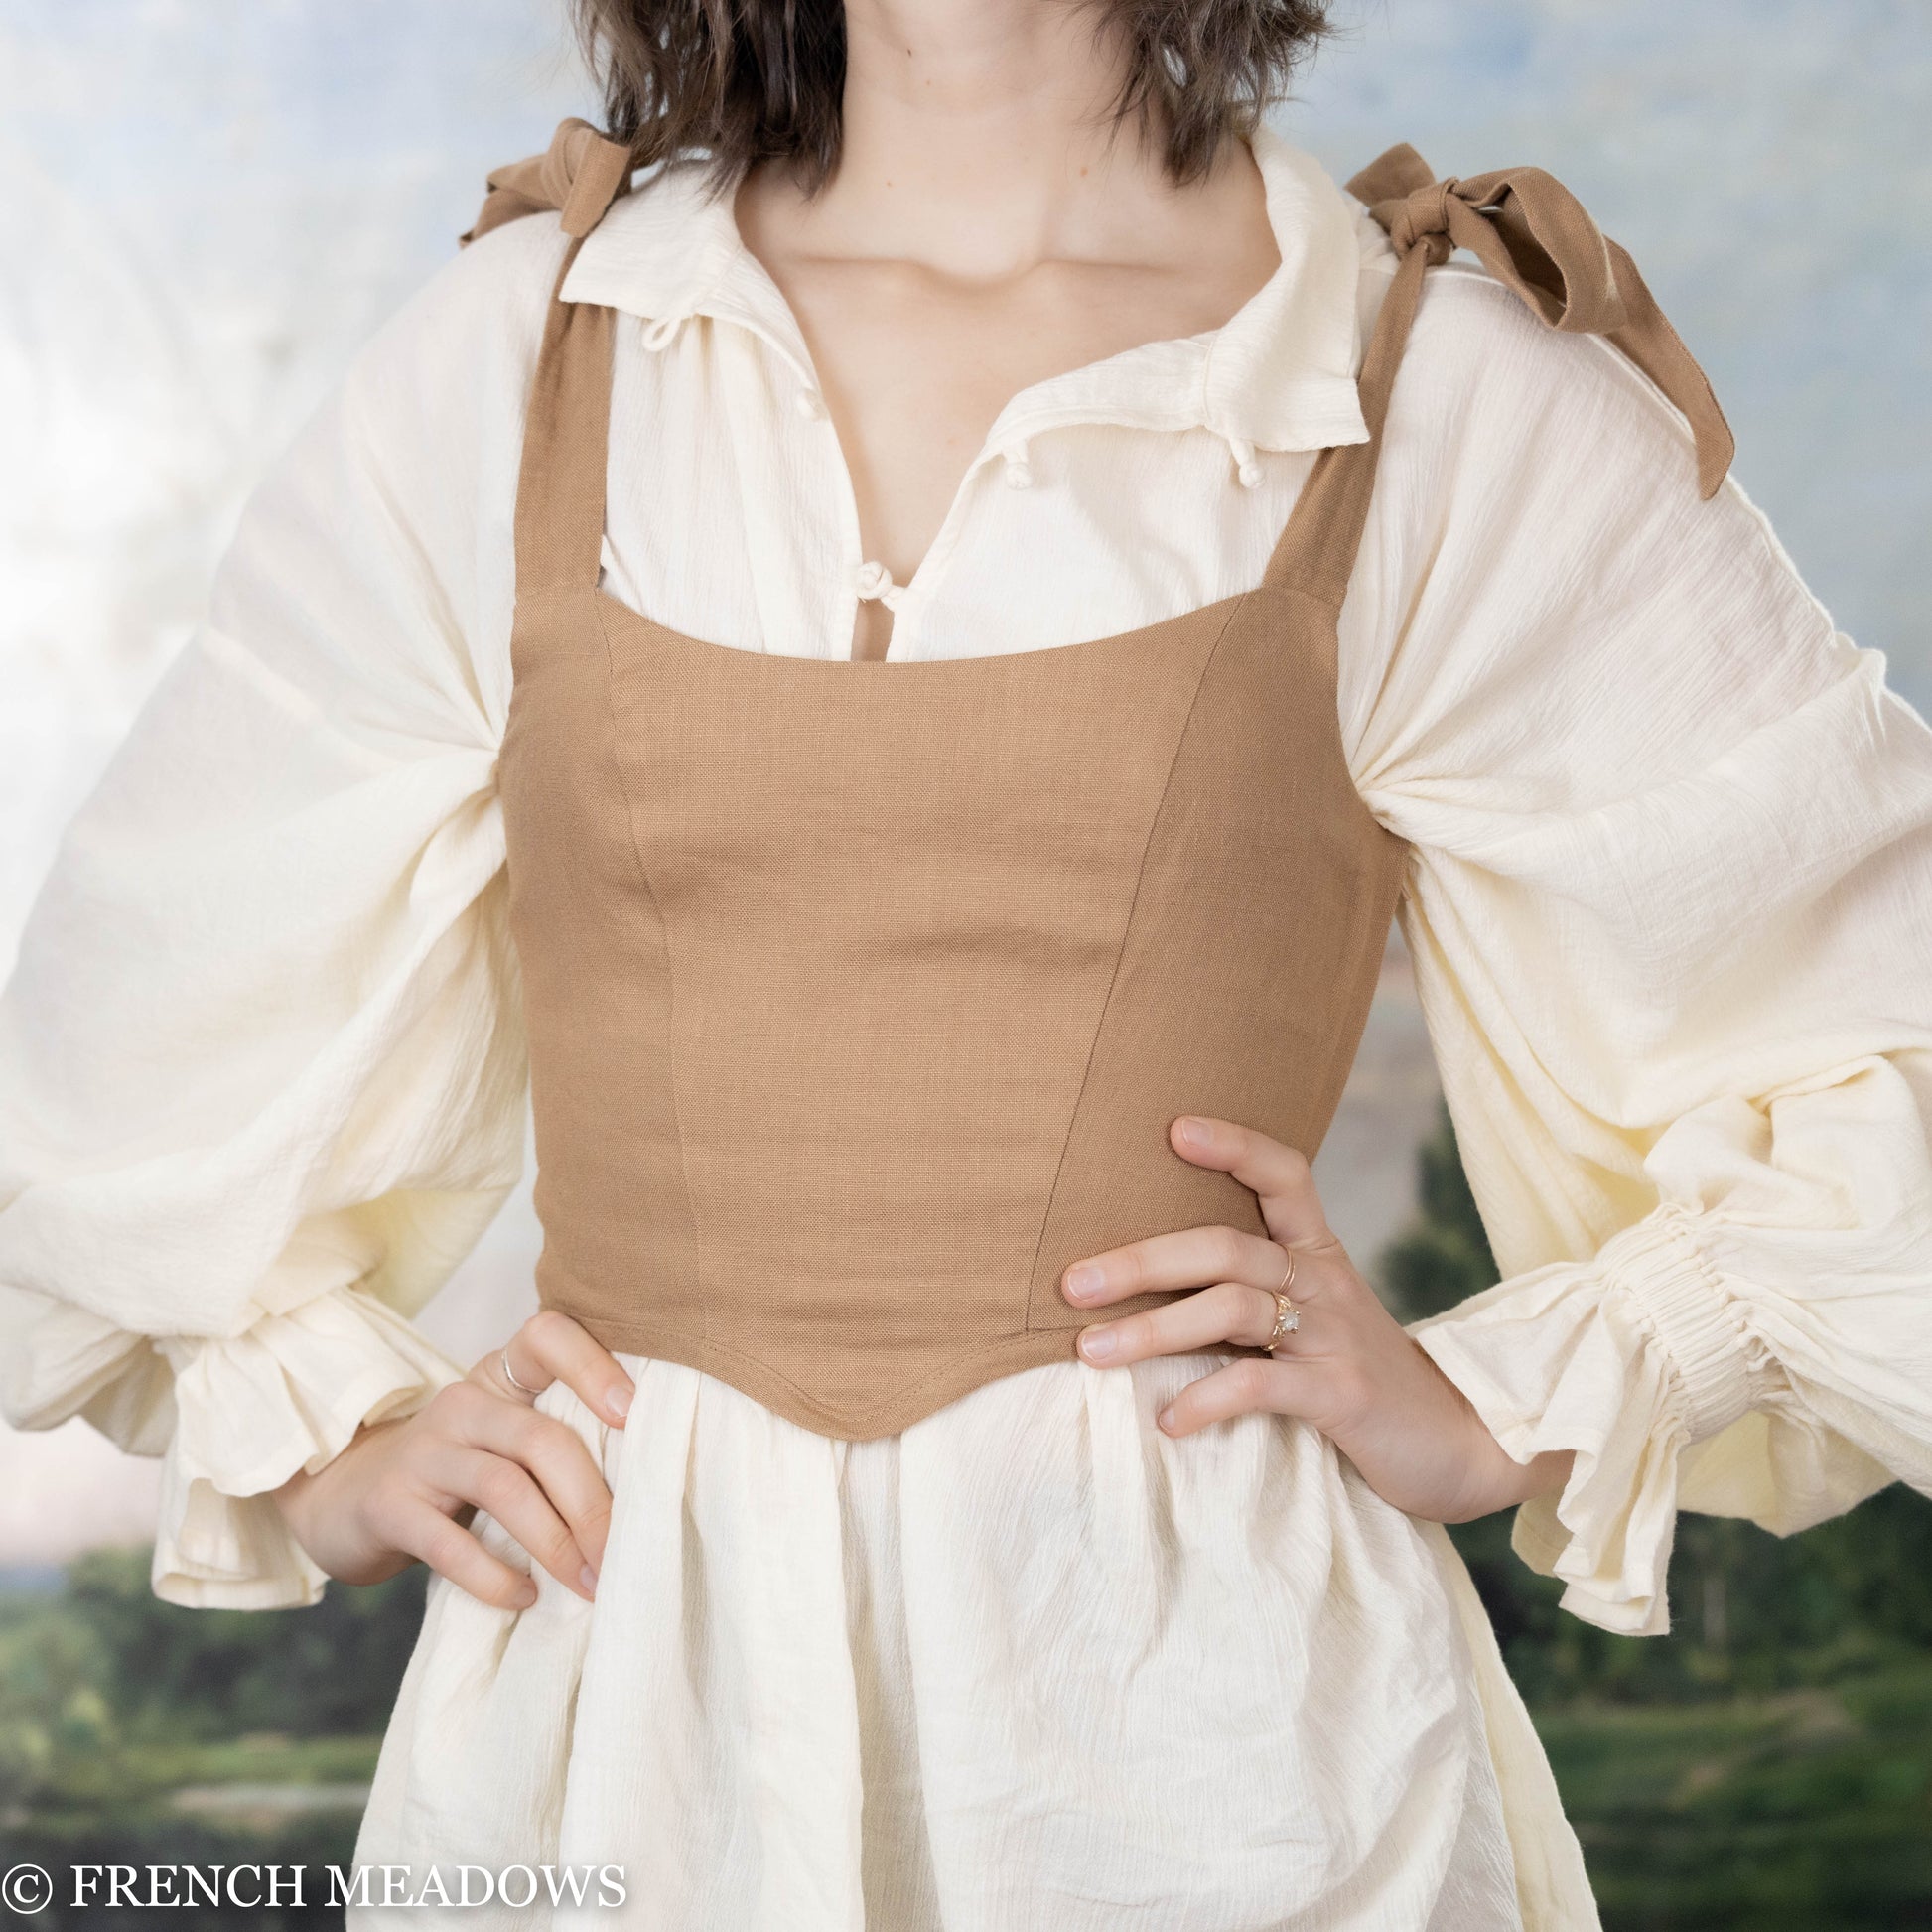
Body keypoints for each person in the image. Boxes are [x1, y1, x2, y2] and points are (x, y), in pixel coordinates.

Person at [3, 2, 1930, 1927]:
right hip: (632, 1703)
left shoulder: (1422, 387)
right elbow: (126, 1035)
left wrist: (1503, 1394)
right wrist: (325, 1431)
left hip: (1221, 1729)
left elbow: (1876, 1033)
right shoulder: (535, 354)